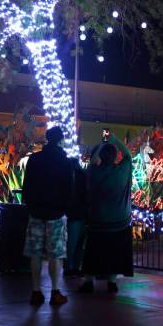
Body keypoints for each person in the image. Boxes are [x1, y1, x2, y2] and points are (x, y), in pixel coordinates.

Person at [22, 126, 73, 305]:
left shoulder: (34, 159)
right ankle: (55, 291)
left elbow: (26, 185)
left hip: (36, 212)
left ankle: (36, 291)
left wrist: (30, 204)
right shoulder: (65, 161)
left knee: (35, 253)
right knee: (56, 254)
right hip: (56, 213)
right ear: (60, 140)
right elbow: (69, 188)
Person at [79, 132, 134, 293]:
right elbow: (128, 156)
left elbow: (92, 160)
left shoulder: (93, 172)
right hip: (120, 222)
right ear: (116, 156)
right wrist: (115, 140)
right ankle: (112, 282)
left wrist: (100, 147)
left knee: (93, 252)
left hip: (98, 222)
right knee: (115, 252)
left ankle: (88, 281)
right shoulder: (122, 171)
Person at [65, 158, 88, 275]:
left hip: (74, 214)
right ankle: (75, 266)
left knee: (72, 242)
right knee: (79, 243)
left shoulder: (70, 176)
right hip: (82, 213)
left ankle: (70, 266)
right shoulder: (83, 175)